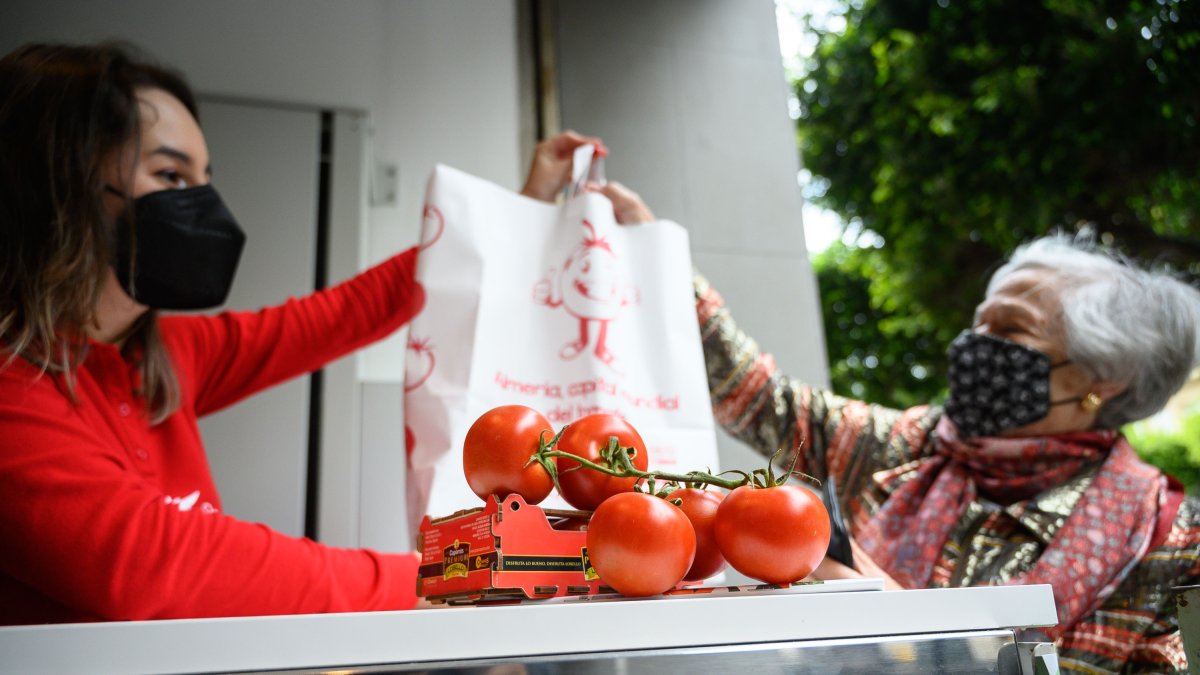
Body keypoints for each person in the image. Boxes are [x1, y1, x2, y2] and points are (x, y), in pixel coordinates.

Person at [0, 41, 602, 624]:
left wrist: (516, 218)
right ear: (59, 183)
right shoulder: (12, 393)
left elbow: (341, 314)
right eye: (171, 176)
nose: (206, 207)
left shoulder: (163, 360)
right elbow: (153, 564)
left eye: (205, 179)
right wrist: (437, 577)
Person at [598, 186, 1200, 672]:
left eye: (1010, 330)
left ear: (1104, 379)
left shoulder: (1167, 539)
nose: (973, 346)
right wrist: (658, 258)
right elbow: (759, 398)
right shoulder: (908, 445)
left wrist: (905, 626)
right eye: (978, 324)